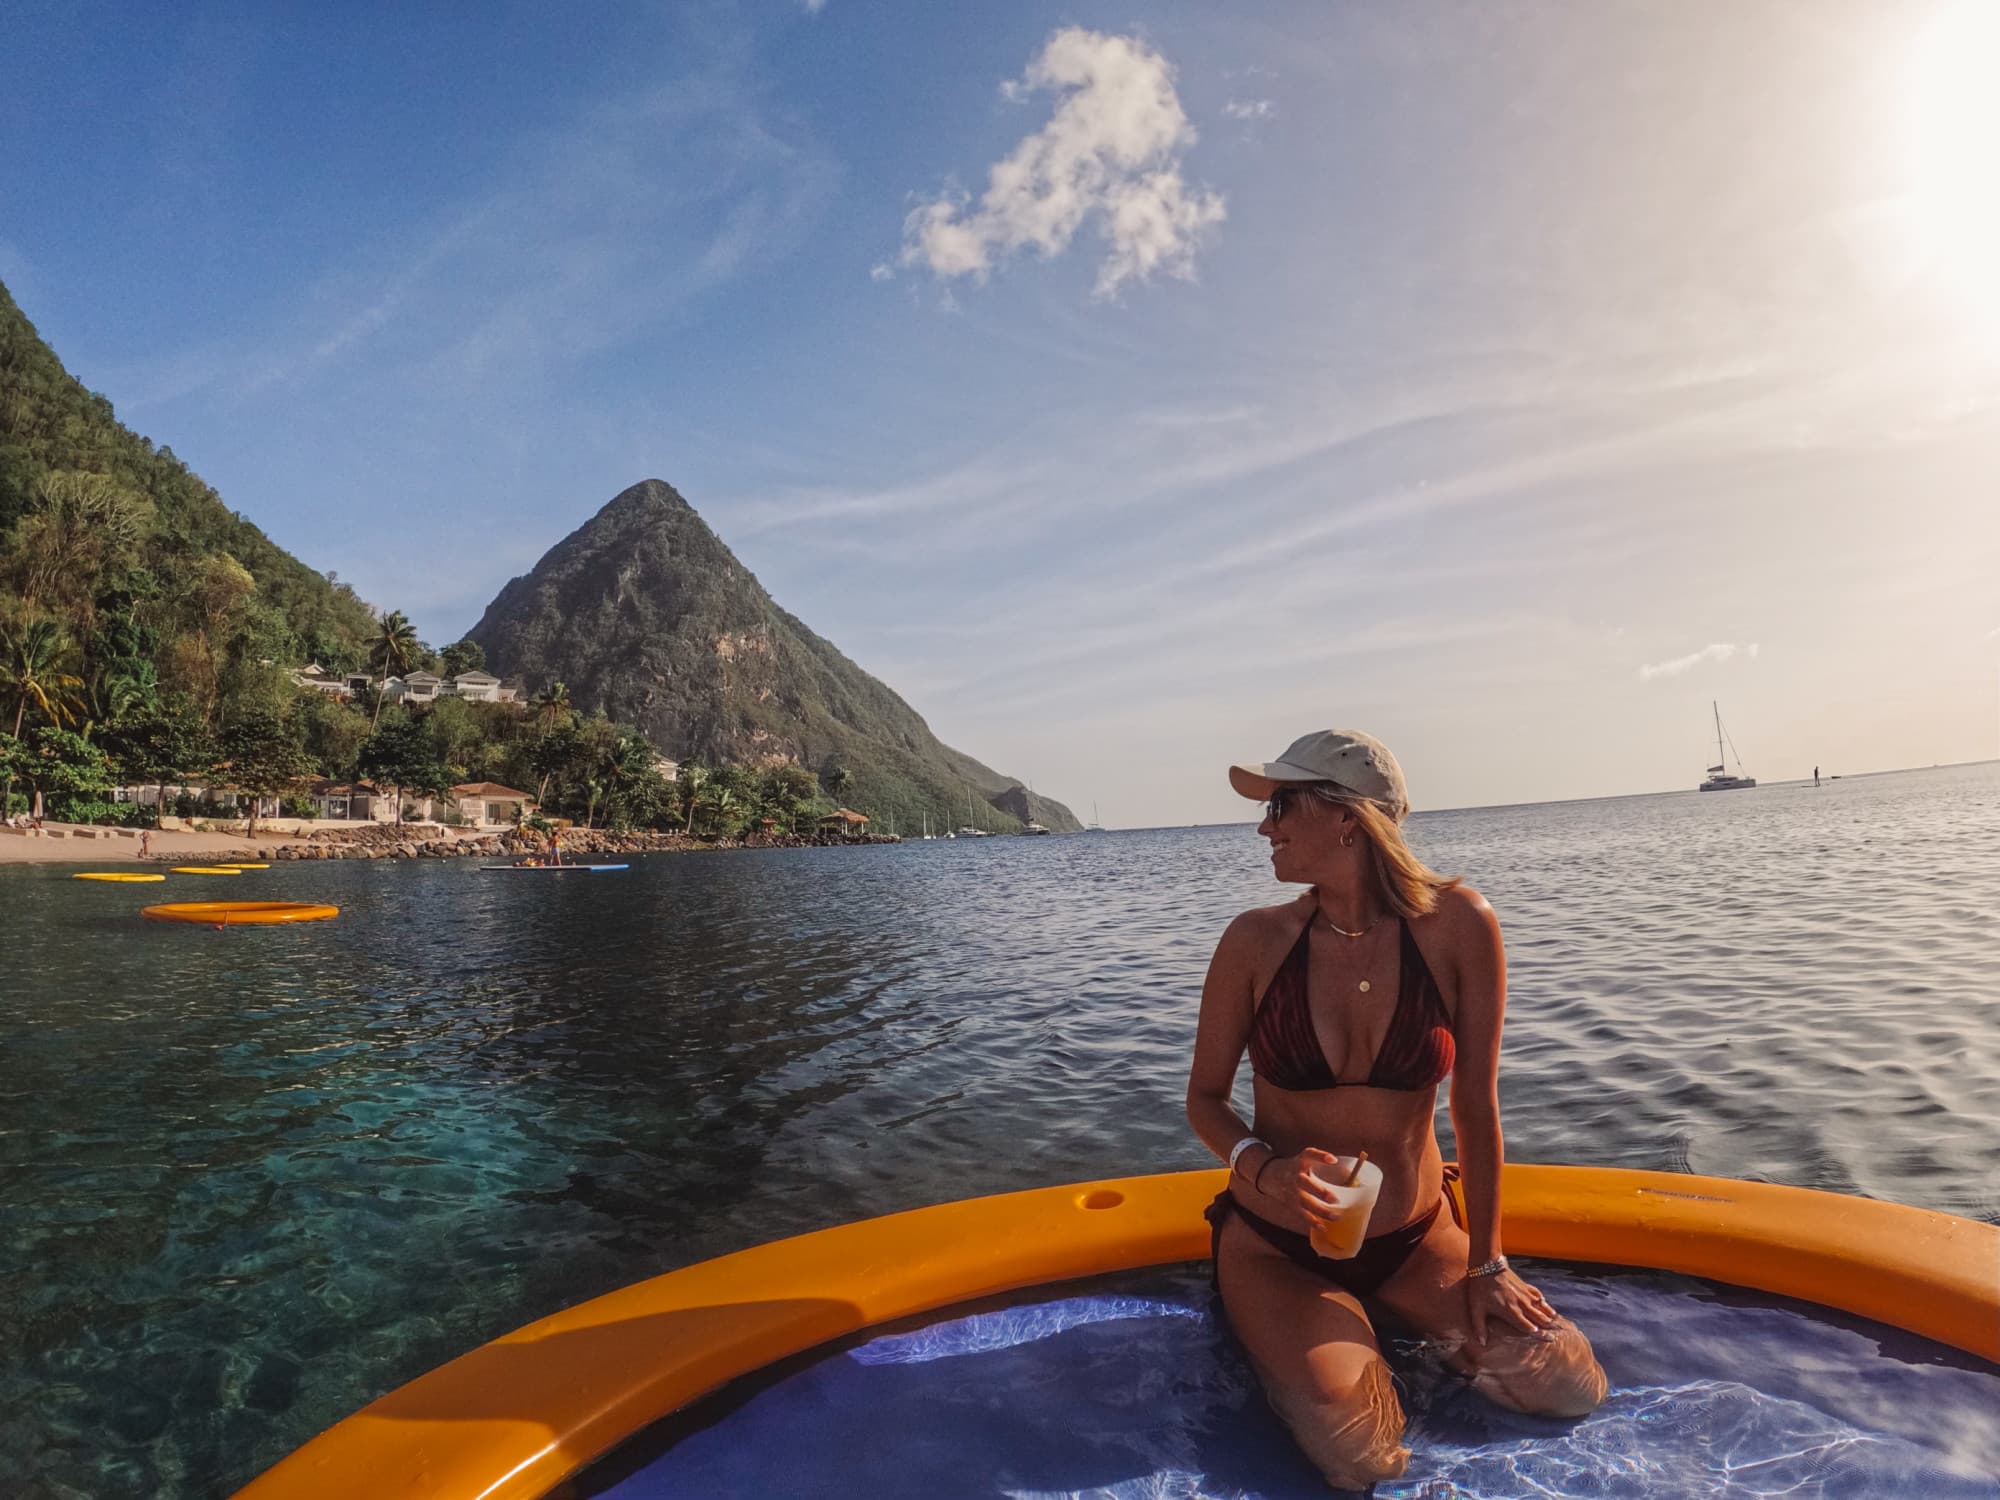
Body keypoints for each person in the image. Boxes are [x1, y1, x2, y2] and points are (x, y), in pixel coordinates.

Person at [1187, 729, 1605, 1489]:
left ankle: (1376, 1340)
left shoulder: (1460, 925)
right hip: (1280, 1245)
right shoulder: (1254, 941)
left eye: (1281, 806)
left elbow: (1475, 1108)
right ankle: (1341, 1344)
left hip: (1415, 1238)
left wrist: (1489, 1262)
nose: (1264, 828)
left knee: (1567, 1383)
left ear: (1347, 818)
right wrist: (1267, 1171)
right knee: (1362, 1454)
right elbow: (1205, 1100)